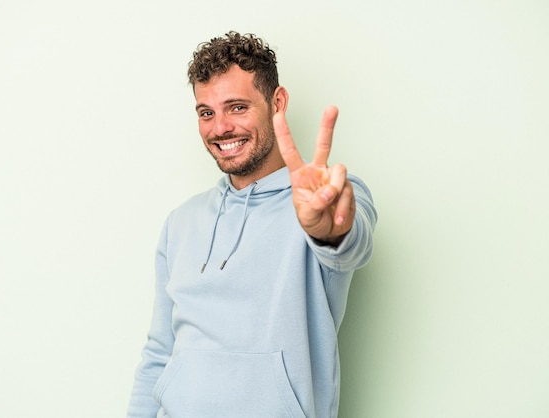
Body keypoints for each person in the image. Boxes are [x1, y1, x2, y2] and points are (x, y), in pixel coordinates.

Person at [127, 31, 377, 418]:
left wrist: (328, 228)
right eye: (206, 112)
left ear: (277, 103)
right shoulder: (181, 222)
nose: (220, 128)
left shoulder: (326, 196)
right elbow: (159, 352)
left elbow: (349, 242)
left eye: (237, 107)